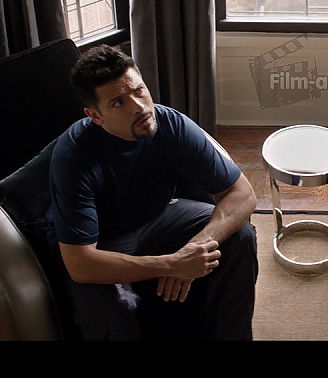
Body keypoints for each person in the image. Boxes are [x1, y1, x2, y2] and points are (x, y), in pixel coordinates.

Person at [46, 44, 258, 340]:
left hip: (159, 218)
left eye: (139, 90)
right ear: (95, 116)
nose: (138, 106)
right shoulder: (73, 158)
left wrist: (195, 247)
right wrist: (173, 264)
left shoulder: (171, 123)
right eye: (118, 103)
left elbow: (243, 193)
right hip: (101, 243)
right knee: (105, 308)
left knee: (241, 236)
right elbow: (80, 264)